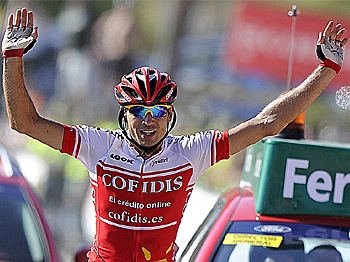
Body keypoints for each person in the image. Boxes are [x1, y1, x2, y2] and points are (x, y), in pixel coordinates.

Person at [2, 7, 348, 262]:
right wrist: (13, 57)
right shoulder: (97, 145)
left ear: (170, 117)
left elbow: (267, 124)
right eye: (138, 111)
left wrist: (325, 69)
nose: (147, 121)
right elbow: (25, 123)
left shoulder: (191, 151)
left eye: (157, 113)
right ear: (124, 116)